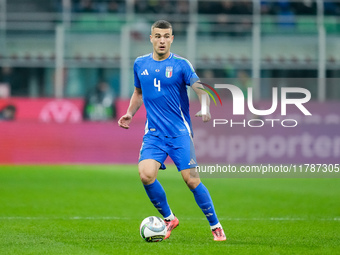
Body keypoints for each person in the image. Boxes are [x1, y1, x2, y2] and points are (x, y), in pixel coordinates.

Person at [118, 20, 226, 241]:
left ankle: (215, 225)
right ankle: (169, 218)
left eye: (166, 36)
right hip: (154, 134)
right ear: (151, 38)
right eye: (157, 36)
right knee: (146, 174)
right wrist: (130, 113)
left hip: (179, 133)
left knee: (192, 180)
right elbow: (138, 93)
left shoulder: (181, 65)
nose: (162, 40)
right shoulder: (140, 64)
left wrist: (205, 106)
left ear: (172, 39)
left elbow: (199, 88)